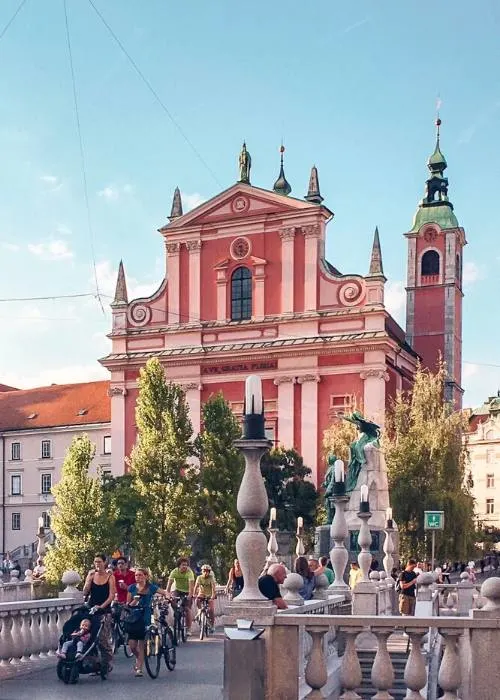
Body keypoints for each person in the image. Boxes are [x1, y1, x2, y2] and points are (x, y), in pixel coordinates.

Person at [127, 567, 168, 677]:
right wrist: (135, 601)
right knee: (132, 645)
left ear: (145, 576)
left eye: (140, 575)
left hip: (146, 614)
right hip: (134, 616)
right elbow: (128, 604)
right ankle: (139, 657)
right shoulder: (131, 588)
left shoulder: (151, 587)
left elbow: (163, 592)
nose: (138, 577)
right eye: (136, 575)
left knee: (141, 643)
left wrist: (168, 596)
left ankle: (139, 668)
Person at [82, 553, 116, 672]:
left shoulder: (110, 576)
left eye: (99, 562)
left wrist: (101, 607)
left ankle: (107, 663)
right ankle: (93, 662)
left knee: (102, 638)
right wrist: (88, 579)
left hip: (104, 610)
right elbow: (85, 592)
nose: (97, 564)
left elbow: (112, 595)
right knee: (88, 634)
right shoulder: (92, 575)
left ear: (104, 563)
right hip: (91, 608)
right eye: (95, 562)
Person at [166, 557, 195, 634]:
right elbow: (169, 585)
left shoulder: (189, 572)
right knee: (172, 600)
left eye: (186, 565)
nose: (185, 566)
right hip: (177, 590)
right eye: (183, 565)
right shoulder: (174, 572)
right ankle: (177, 614)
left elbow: (191, 586)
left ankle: (188, 629)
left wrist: (190, 595)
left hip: (187, 591)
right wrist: (167, 594)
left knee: (187, 609)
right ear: (179, 566)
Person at [194, 564, 217, 628]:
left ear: (209, 572)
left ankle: (212, 625)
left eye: (207, 571)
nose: (205, 572)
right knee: (197, 600)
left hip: (209, 595)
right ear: (202, 571)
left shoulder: (211, 578)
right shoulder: (199, 577)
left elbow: (213, 588)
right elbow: (196, 586)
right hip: (202, 594)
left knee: (211, 610)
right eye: (204, 571)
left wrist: (213, 596)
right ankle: (199, 611)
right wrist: (194, 594)